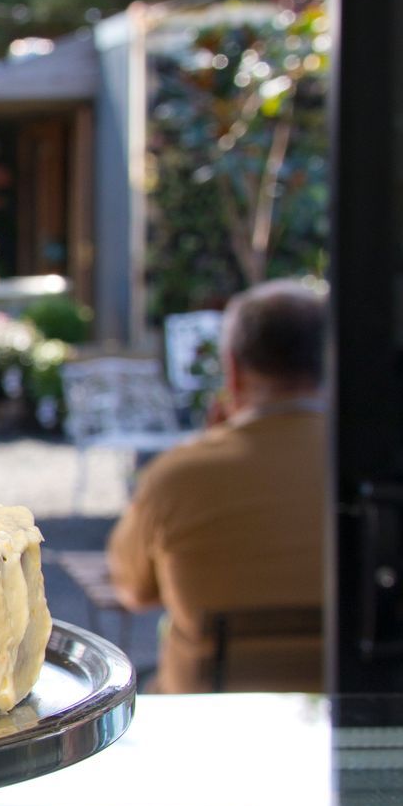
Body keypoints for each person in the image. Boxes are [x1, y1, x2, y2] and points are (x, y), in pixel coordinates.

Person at [106, 279, 329, 692]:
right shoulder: (384, 469)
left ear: (233, 370)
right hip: (356, 705)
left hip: (209, 712)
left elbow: (132, 589)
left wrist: (206, 446)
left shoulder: (180, 476)